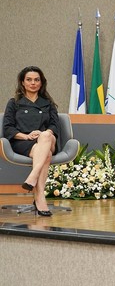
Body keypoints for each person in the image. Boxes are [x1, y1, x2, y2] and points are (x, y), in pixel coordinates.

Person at [2, 66, 61, 216]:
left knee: (46, 138)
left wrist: (43, 133)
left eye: (36, 80)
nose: (33, 83)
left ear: (41, 83)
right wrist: (26, 136)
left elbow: (55, 125)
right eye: (29, 79)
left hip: (47, 139)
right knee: (45, 154)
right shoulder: (14, 103)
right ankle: (39, 197)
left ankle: (33, 176)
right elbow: (8, 128)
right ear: (22, 82)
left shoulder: (47, 103)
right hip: (24, 141)